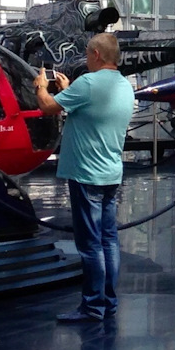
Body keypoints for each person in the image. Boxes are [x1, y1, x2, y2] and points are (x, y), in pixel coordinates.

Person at [36, 31, 136, 325]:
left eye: (87, 54)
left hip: (85, 172)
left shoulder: (89, 83)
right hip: (110, 173)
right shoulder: (123, 84)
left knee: (90, 243)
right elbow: (91, 111)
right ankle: (109, 301)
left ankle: (93, 305)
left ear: (96, 55)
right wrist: (69, 89)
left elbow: (47, 106)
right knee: (109, 240)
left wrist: (42, 87)